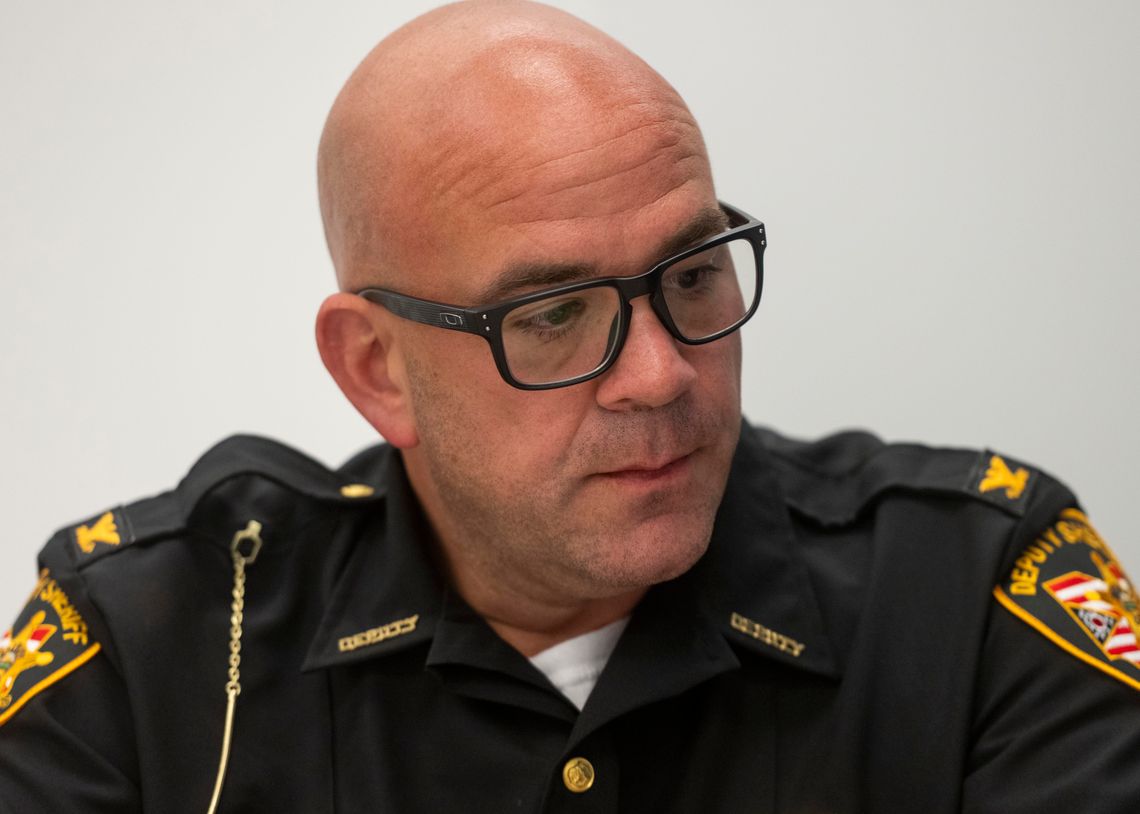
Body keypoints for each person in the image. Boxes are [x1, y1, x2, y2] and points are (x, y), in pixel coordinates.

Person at [2, 1, 1138, 811]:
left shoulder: (979, 595)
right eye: (553, 315)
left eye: (693, 275)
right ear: (376, 368)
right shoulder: (146, 651)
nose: (660, 374)